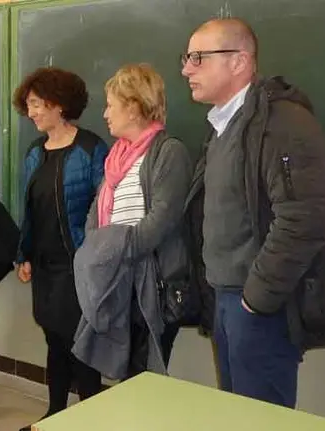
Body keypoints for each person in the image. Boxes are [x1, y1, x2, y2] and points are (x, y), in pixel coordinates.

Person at [182, 18, 325, 408]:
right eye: (187, 58)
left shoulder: (281, 123)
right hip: (225, 299)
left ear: (239, 62)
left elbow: (305, 218)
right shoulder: (222, 126)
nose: (186, 69)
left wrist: (257, 297)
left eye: (198, 57)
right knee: (237, 412)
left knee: (261, 418)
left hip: (259, 306)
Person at [13, 67, 108, 430]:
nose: (31, 112)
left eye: (36, 104)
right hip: (44, 264)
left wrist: (91, 257)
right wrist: (24, 254)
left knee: (80, 343)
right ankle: (54, 416)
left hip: (78, 265)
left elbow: (104, 208)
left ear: (58, 104)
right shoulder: (35, 152)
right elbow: (29, 208)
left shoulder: (90, 148)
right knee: (53, 338)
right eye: (29, 105)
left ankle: (90, 419)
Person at [83, 63, 191, 376]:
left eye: (110, 106)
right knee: (125, 373)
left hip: (151, 285)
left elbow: (161, 219)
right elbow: (96, 214)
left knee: (146, 376)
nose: (105, 114)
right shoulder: (116, 157)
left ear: (132, 108)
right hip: (117, 280)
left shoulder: (168, 153)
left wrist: (114, 251)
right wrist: (98, 249)